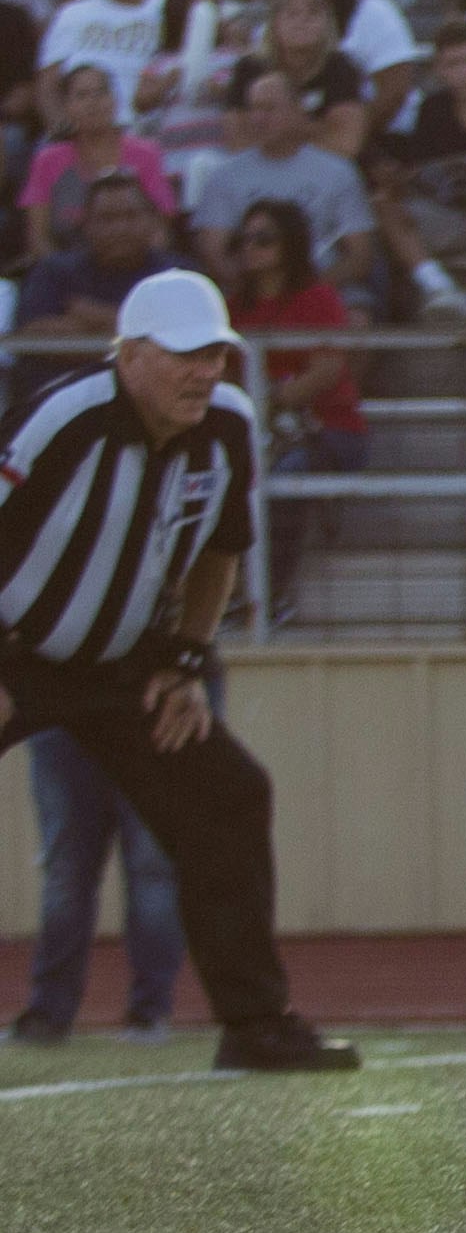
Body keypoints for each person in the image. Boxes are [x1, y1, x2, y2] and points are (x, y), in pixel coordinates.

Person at [0, 271, 352, 1068]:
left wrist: (190, 659)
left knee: (229, 798)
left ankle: (256, 1025)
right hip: (17, 652)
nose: (206, 372)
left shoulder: (227, 422)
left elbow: (223, 547)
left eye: (217, 355)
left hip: (127, 666)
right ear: (128, 354)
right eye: (186, 355)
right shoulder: (63, 418)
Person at [19, 728, 184, 1045]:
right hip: (64, 714)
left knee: (152, 869)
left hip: (147, 713)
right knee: (66, 869)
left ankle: (150, 1012)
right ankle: (48, 1012)